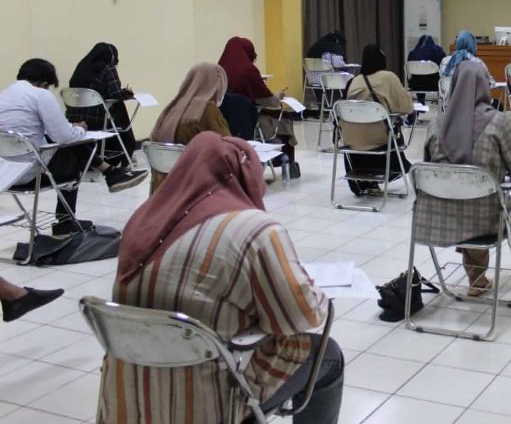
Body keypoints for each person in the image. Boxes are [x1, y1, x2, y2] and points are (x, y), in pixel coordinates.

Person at [97, 133, 343, 424]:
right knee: (327, 355)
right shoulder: (255, 230)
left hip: (130, 397)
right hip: (210, 399)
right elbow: (299, 318)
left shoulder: (143, 221)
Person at [0, 59, 146, 237]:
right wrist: (80, 128)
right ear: (45, 84)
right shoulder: (40, 95)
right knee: (74, 147)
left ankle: (111, 173)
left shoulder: (4, 95)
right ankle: (66, 222)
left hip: (7, 174)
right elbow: (64, 136)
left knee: (68, 141)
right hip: (31, 173)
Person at [422, 63, 511, 296]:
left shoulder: (435, 125)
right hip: (485, 220)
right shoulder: (500, 123)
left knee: (460, 199)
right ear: (485, 86)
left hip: (439, 219)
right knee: (482, 204)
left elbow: (427, 174)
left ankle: (478, 278)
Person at [217, 36, 300, 177]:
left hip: (224, 122)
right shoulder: (248, 70)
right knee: (285, 118)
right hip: (249, 120)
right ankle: (286, 163)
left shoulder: (218, 71)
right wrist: (278, 96)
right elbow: (268, 101)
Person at [340, 44, 413, 195]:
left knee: (364, 132)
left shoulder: (353, 81)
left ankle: (365, 181)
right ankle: (393, 169)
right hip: (379, 138)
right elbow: (406, 108)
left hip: (351, 140)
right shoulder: (389, 78)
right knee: (391, 129)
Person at [147, 63, 230, 192]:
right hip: (197, 189)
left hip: (164, 190)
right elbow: (227, 149)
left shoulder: (171, 109)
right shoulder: (207, 110)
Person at [65, 42, 138, 168]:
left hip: (75, 118)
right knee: (119, 109)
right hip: (98, 119)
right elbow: (115, 94)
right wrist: (127, 93)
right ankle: (126, 153)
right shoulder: (107, 68)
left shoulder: (81, 67)